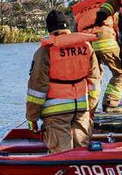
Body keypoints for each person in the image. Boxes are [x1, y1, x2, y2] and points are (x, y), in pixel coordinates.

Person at [25, 10, 102, 153]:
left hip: (56, 114)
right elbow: (95, 81)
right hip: (81, 109)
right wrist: (91, 108)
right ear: (68, 27)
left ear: (50, 29)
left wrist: (32, 117)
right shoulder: (86, 46)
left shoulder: (45, 51)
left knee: (62, 153)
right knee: (83, 151)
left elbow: (37, 88)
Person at [72, 0, 122, 113]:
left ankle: (88, 108)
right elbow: (121, 30)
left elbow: (75, 32)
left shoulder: (81, 13)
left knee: (94, 77)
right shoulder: (110, 8)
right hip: (105, 40)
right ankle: (111, 103)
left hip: (86, 44)